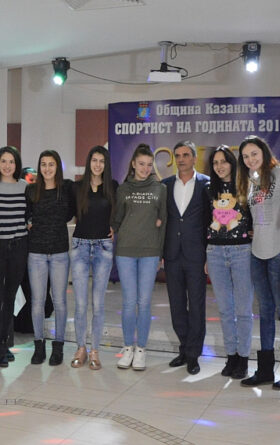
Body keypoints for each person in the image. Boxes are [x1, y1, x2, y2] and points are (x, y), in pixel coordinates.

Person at [238, 136, 280, 390]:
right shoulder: (251, 181)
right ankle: (265, 370)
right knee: (265, 312)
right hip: (257, 253)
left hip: (279, 251)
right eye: (245, 156)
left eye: (254, 153)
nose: (250, 159)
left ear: (263, 152)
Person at [113, 143, 167, 371]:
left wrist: (161, 253)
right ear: (133, 164)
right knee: (128, 302)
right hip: (125, 251)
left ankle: (141, 349)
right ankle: (127, 347)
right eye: (141, 164)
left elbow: (163, 222)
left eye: (149, 165)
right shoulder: (123, 189)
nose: (145, 169)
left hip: (150, 253)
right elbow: (117, 220)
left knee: (144, 302)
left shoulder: (160, 189)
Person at [162, 140, 210, 375]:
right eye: (178, 155)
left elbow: (211, 221)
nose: (181, 159)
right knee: (177, 305)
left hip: (196, 255)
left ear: (194, 158)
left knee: (197, 305)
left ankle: (193, 355)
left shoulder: (206, 185)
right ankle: (183, 347)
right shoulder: (165, 185)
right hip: (172, 254)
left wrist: (208, 254)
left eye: (185, 155)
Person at [205, 145, 253, 379]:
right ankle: (231, 356)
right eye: (215, 163)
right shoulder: (208, 190)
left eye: (223, 161)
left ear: (232, 163)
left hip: (242, 252)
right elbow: (204, 222)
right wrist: (205, 255)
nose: (219, 166)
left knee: (243, 310)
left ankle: (243, 358)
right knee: (225, 310)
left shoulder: (245, 186)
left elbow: (255, 217)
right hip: (215, 252)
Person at [70, 146, 118, 370]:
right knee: (80, 304)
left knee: (98, 304)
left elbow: (120, 212)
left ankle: (95, 351)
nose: (98, 165)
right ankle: (81, 348)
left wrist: (115, 227)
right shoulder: (77, 187)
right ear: (89, 162)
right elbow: (66, 212)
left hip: (103, 248)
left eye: (102, 161)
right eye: (94, 160)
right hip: (80, 247)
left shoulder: (113, 187)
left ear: (106, 165)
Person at [26, 150, 74, 366]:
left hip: (60, 253)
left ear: (57, 167)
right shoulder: (31, 190)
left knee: (60, 301)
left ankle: (58, 346)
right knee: (37, 302)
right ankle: (39, 346)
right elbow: (26, 215)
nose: (47, 168)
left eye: (51, 164)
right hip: (36, 253)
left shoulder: (67, 189)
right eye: (43, 164)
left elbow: (70, 214)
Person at [0, 146, 28, 367]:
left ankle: (5, 343)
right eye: (3, 161)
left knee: (10, 297)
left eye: (11, 161)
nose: (7, 165)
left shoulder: (24, 187)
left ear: (16, 164)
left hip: (18, 246)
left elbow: (31, 214)